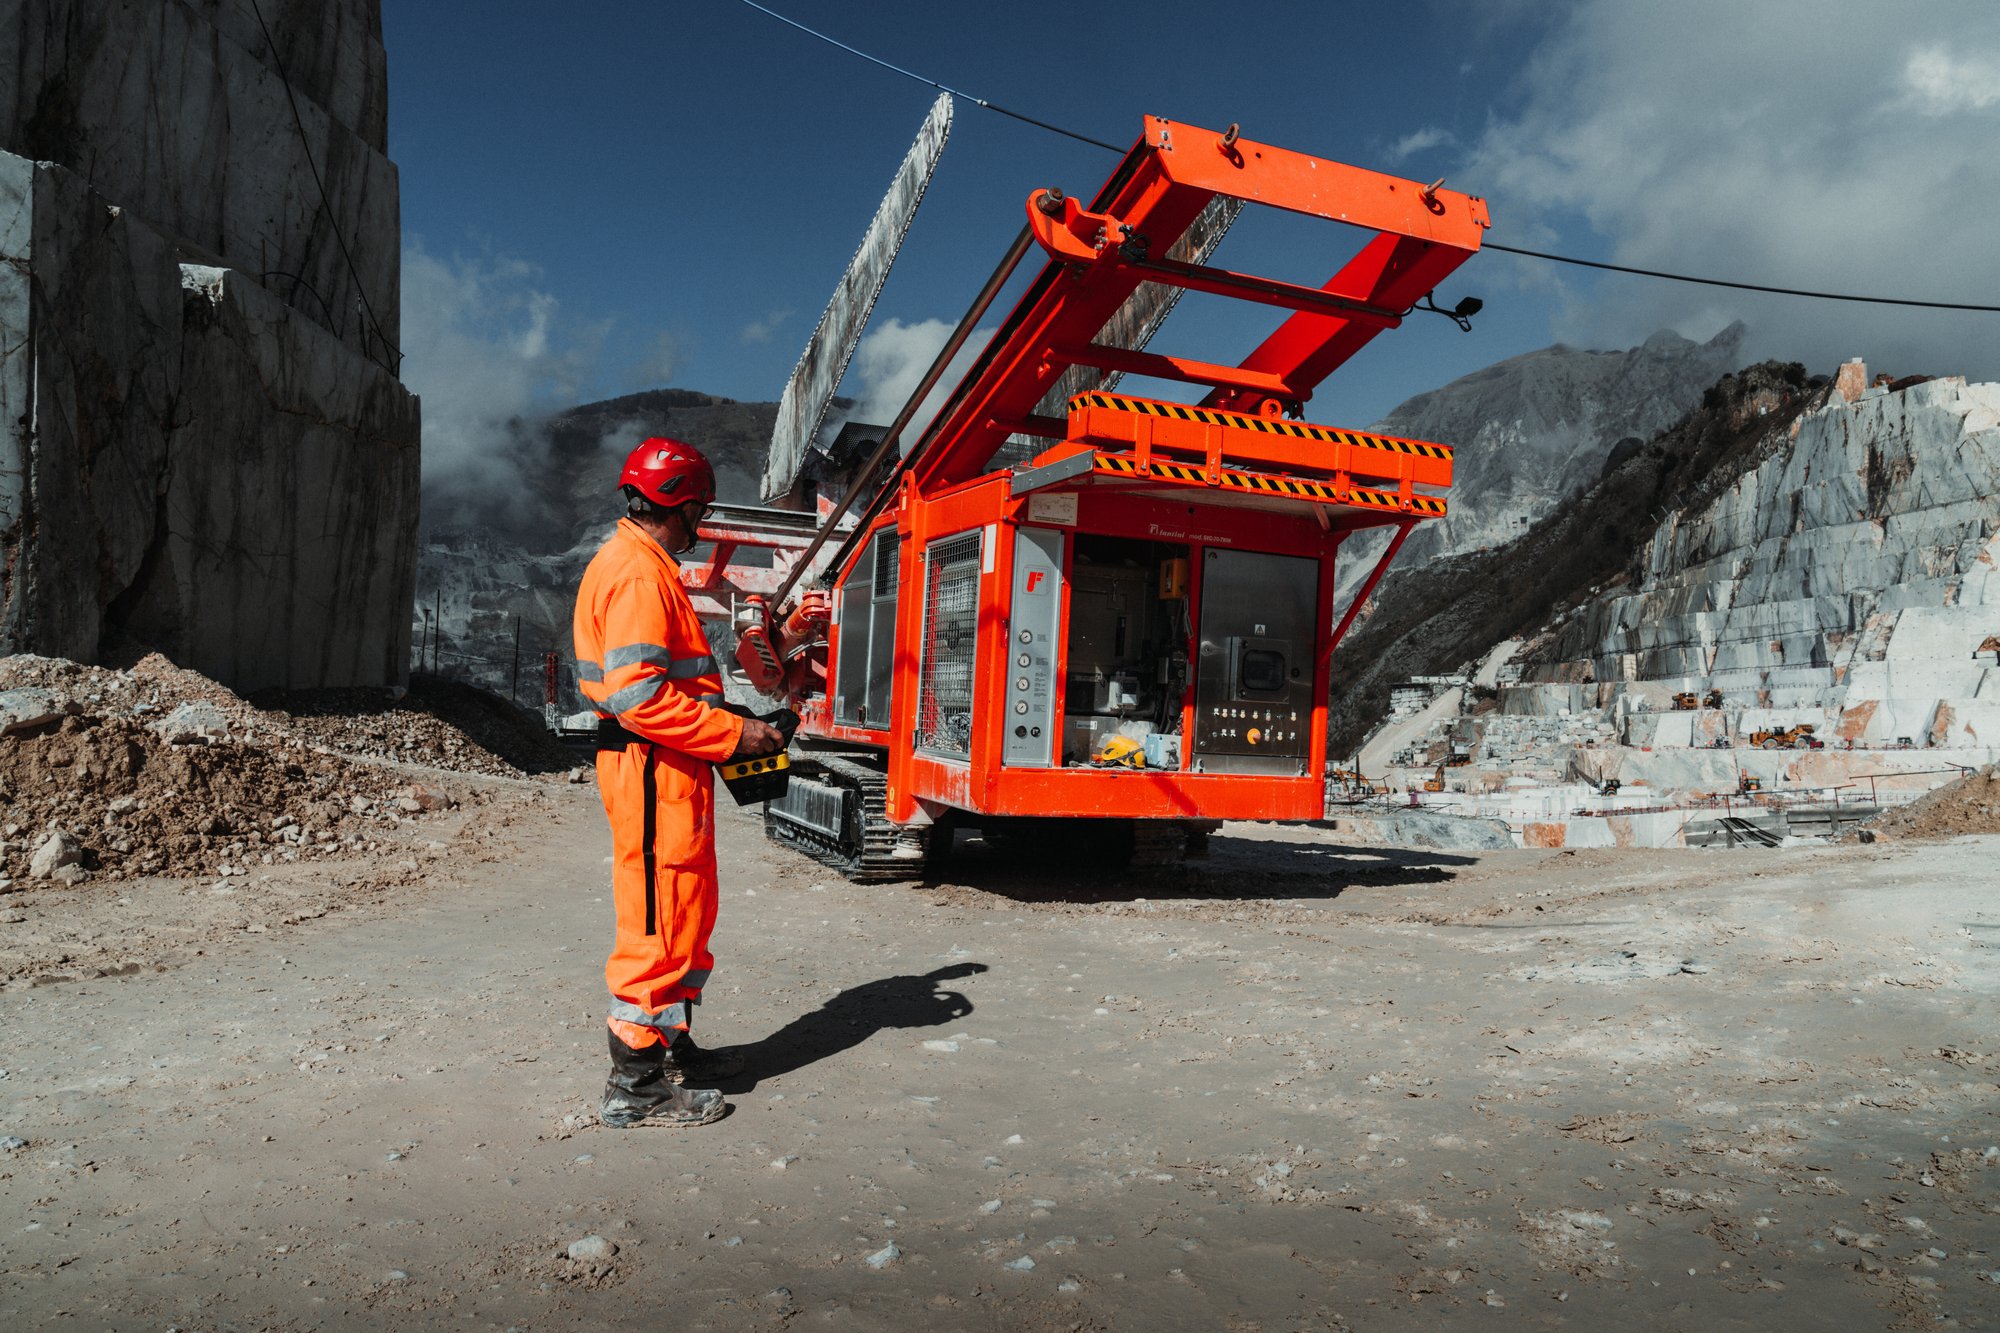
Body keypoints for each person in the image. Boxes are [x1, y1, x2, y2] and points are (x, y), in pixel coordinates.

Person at [572, 436, 784, 1127]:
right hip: (653, 766)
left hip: (668, 767)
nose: (700, 523)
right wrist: (733, 734)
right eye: (698, 509)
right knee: (658, 920)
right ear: (681, 504)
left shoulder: (645, 564)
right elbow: (639, 699)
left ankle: (670, 1045)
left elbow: (669, 685)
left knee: (684, 908)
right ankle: (635, 1083)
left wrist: (730, 717)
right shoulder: (637, 574)